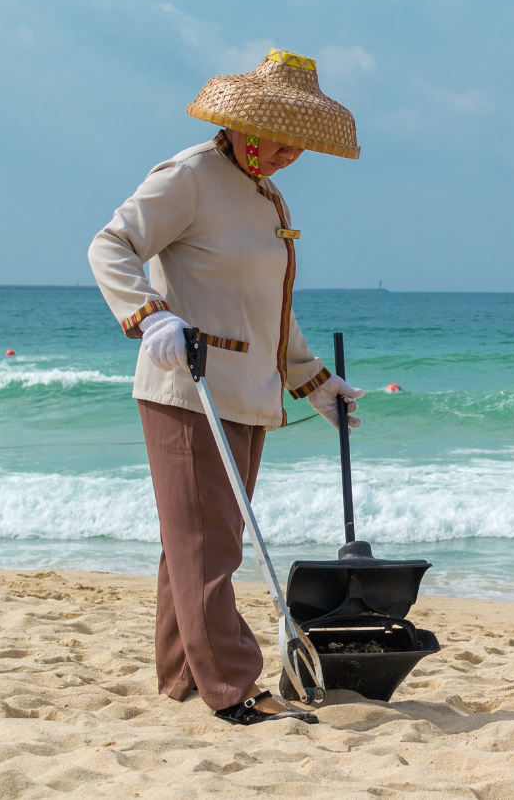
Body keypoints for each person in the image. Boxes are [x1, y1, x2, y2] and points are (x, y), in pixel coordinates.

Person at [88, 49, 363, 725]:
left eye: (301, 148)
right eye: (283, 141)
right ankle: (234, 689)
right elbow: (110, 244)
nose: (290, 156)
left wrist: (313, 381)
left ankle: (183, 679)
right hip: (188, 387)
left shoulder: (267, 194)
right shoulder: (189, 176)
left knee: (195, 540)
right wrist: (150, 315)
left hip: (247, 391)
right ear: (246, 127)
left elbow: (269, 305)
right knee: (209, 543)